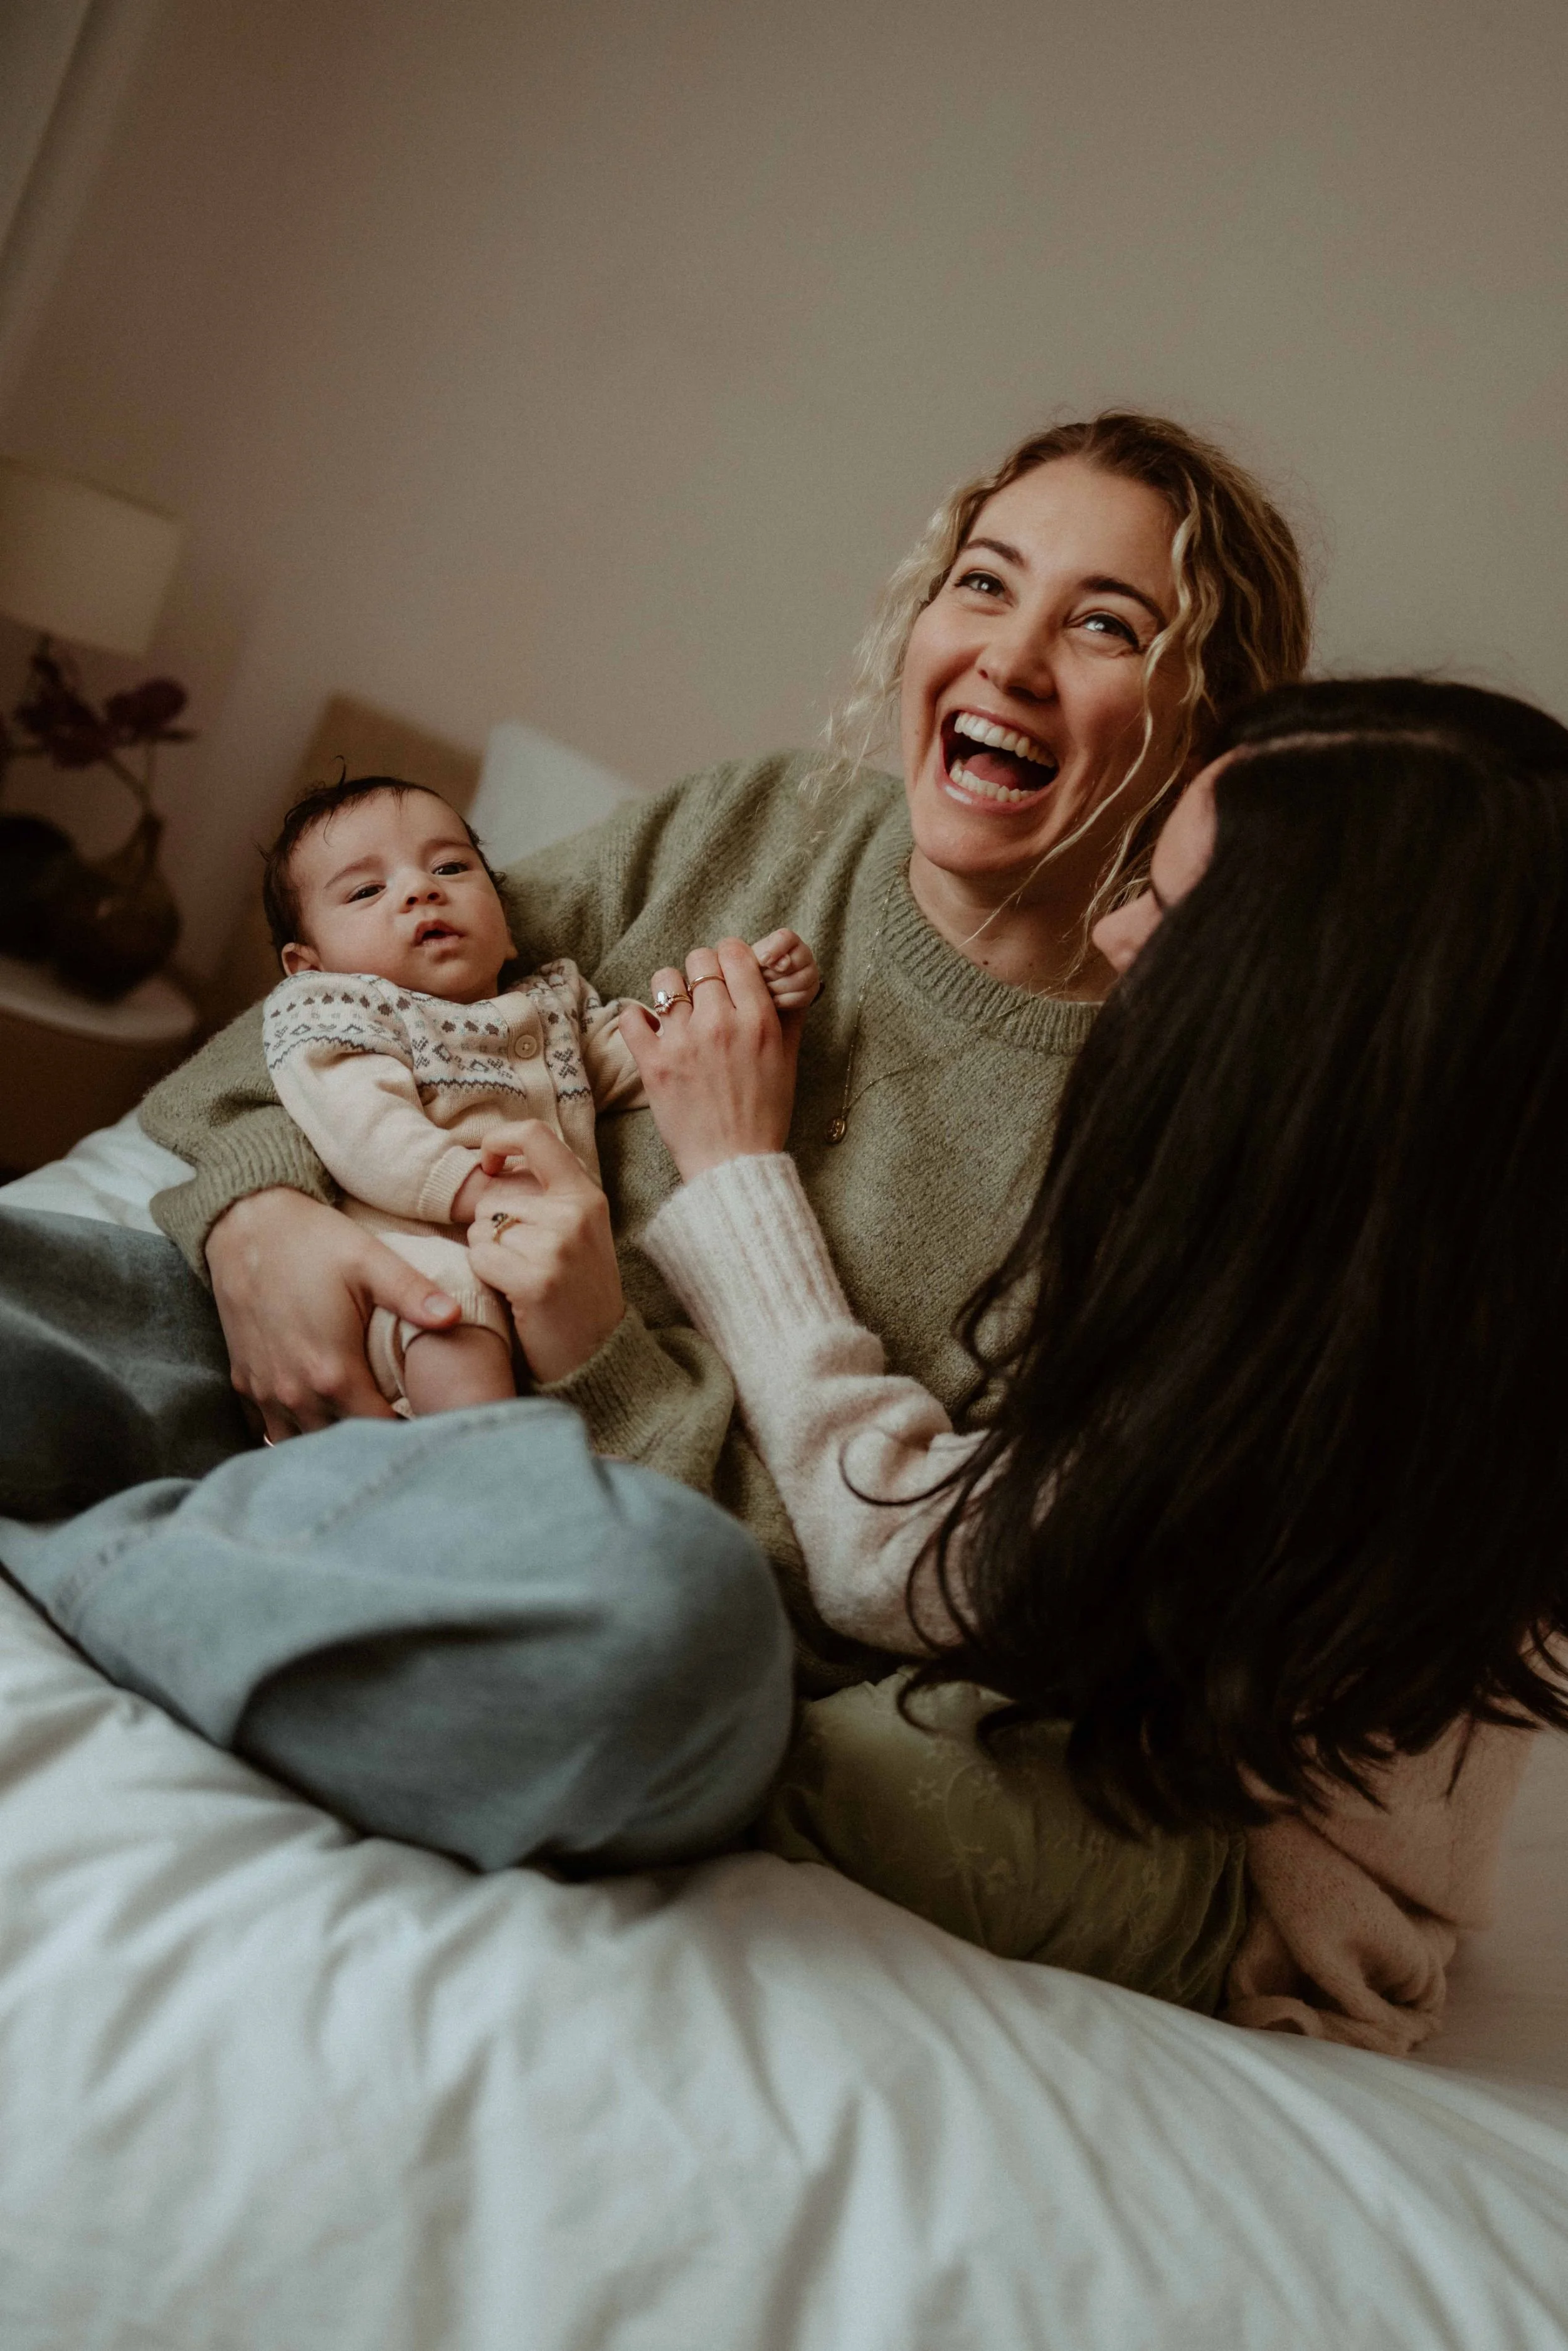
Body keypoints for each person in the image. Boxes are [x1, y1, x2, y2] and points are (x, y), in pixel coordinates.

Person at [134, 410, 1310, 1685]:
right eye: (982, 583)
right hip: (354, 1373)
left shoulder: (1157, 1143)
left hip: (614, 1591)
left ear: (1205, 736)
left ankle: (159, 1594)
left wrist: (598, 1359)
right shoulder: (758, 820)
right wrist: (260, 1224)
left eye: (1105, 625)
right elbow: (290, 1033)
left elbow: (846, 1590)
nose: (1008, 659)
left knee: (670, 1658)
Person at [624, 677, 1568, 2050]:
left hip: (1254, 1873)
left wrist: (734, 1172)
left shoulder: (1345, 1346)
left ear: (1306, 1016)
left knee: (830, 1756)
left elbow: (896, 1555)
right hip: (1133, 1704)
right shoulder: (1410, 1215)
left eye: (1170, 912)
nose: (1113, 929)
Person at [254, 768, 815, 1414]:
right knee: (455, 1308)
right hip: (411, 1265)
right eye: (367, 890)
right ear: (309, 966)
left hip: (547, 1289)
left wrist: (747, 998)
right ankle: (488, 1471)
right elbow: (363, 1130)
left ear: (507, 925)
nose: (419, 891)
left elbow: (650, 1058)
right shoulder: (339, 1013)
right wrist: (477, 1190)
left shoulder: (551, 1005)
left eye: (452, 869)